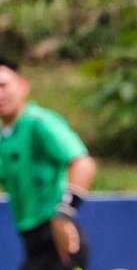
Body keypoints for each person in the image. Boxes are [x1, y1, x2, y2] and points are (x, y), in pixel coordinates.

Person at [0, 56, 96, 270]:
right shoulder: (4, 138)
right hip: (32, 243)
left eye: (3, 85)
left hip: (59, 241)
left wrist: (63, 215)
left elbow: (83, 163)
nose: (0, 94)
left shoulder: (40, 123)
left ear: (23, 86)